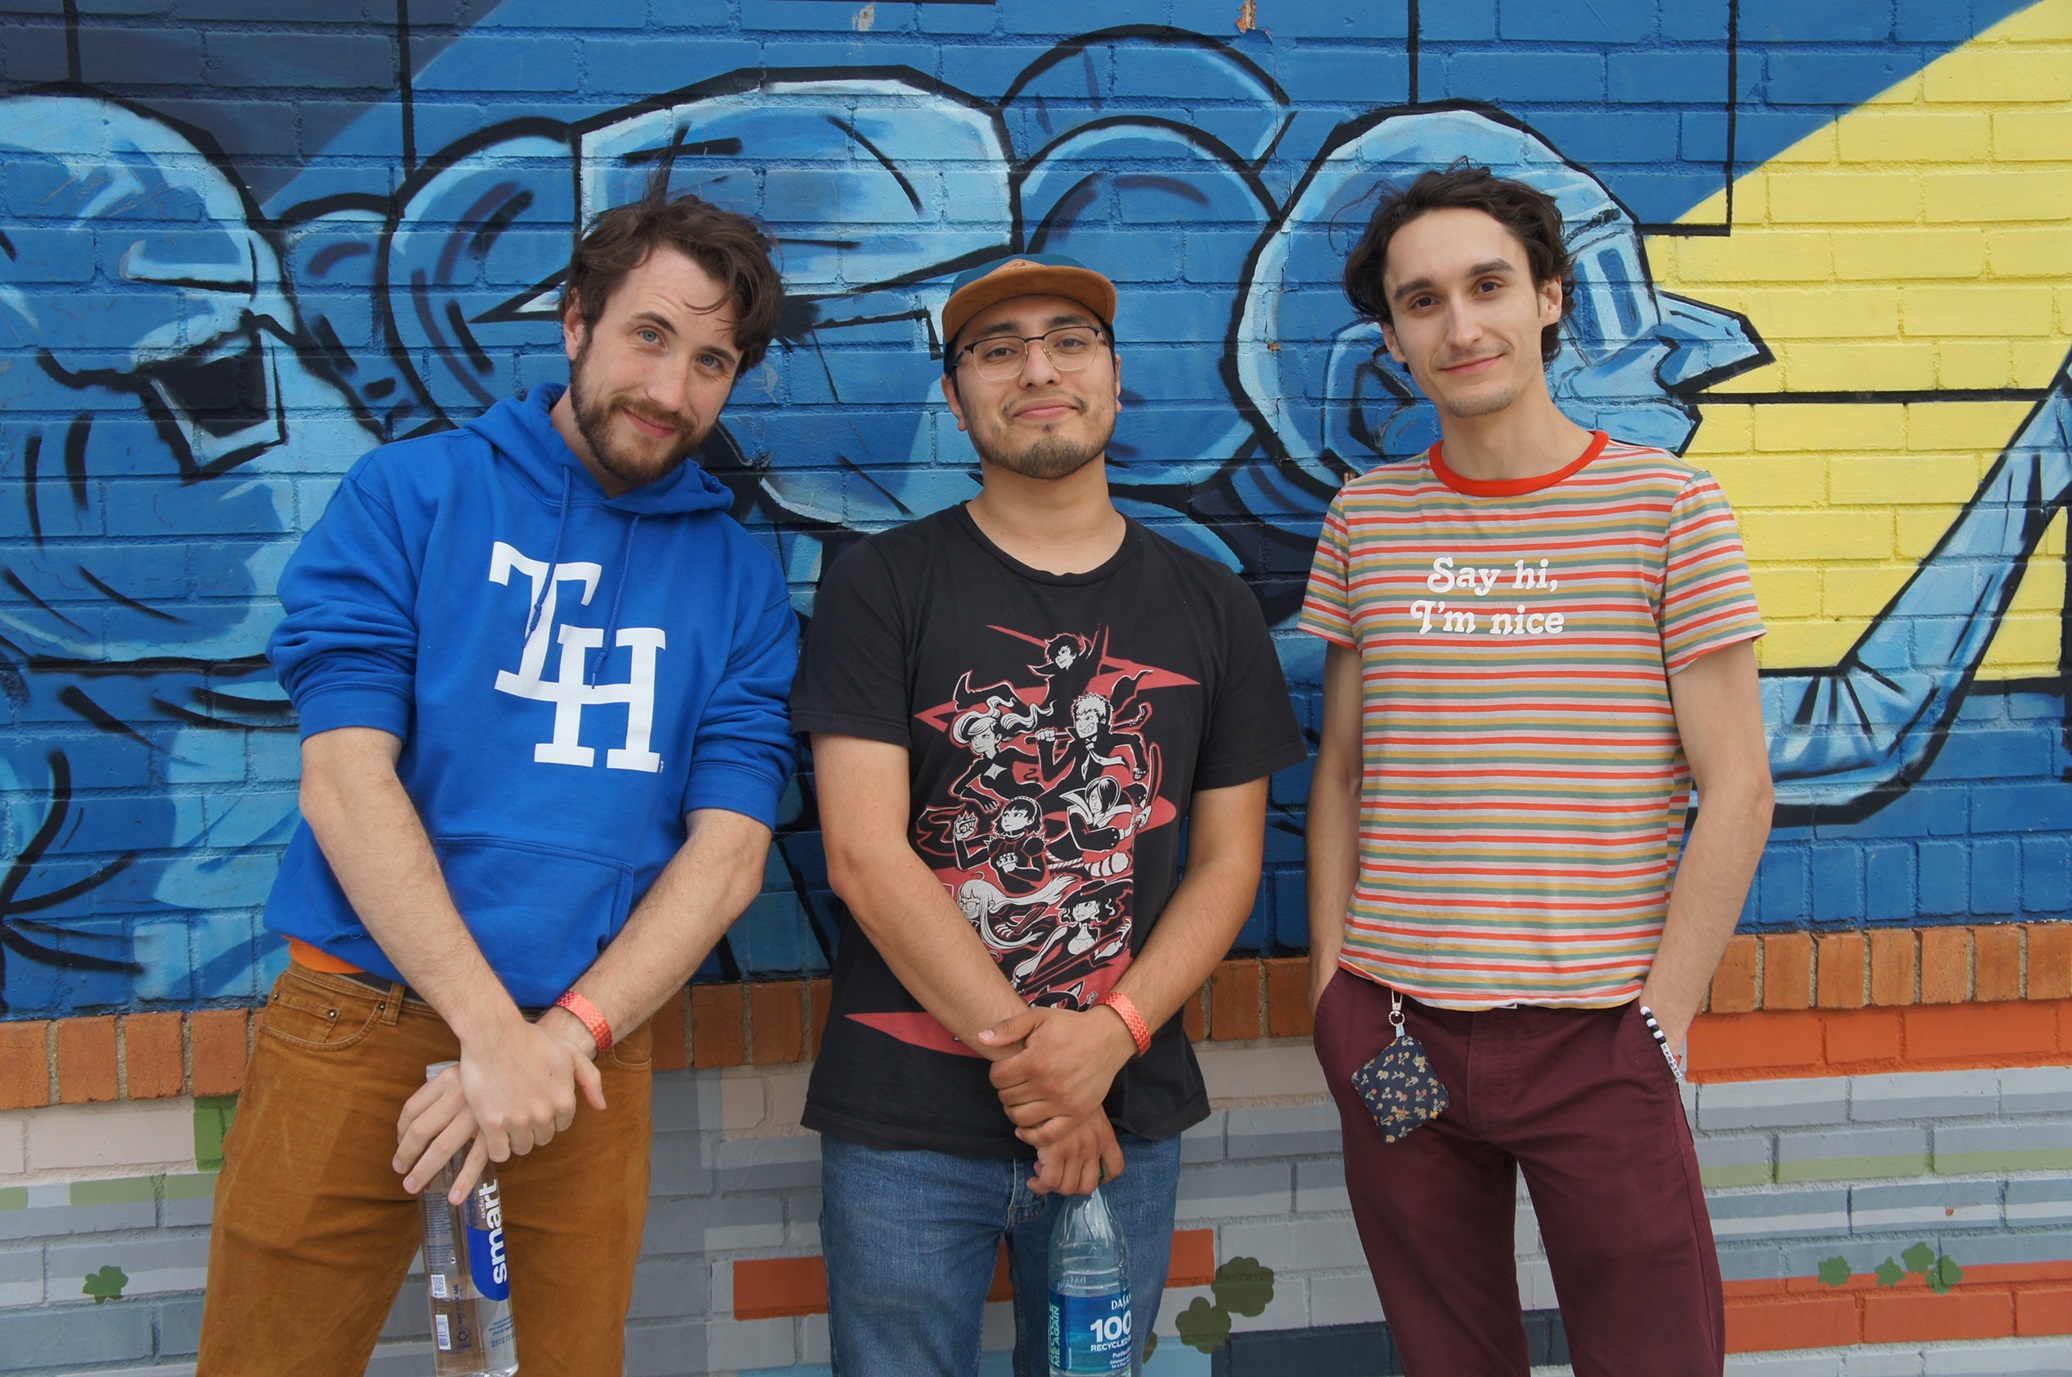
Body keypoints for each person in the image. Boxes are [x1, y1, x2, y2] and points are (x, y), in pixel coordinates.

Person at [196, 191, 797, 1377]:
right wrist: (489, 1038)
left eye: (712, 359)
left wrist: (552, 1041)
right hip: (360, 1024)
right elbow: (344, 779)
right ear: (574, 322)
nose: (670, 390)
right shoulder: (411, 496)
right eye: (647, 335)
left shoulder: (739, 579)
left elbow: (727, 854)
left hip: (584, 1049)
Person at [792, 253, 1306, 1376]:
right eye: (997, 348)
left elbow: (1226, 864)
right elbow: (863, 855)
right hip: (904, 1126)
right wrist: (1043, 1075)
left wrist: (1108, 1042)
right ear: (955, 394)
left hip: (1129, 1104)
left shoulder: (1209, 605)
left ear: (1115, 383)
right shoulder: (880, 584)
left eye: (1069, 341)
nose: (1038, 369)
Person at [1301, 164, 1774, 1376]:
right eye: (1420, 301)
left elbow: (1737, 784)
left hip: (1596, 1045)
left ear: (1550, 298)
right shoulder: (1368, 516)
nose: (1459, 326)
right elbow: (1344, 772)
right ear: (1393, 335)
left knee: (1651, 1355)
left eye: (1487, 285)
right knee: (1447, 1350)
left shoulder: (1668, 508)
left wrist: (1656, 1020)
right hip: (1396, 1038)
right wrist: (1330, 995)